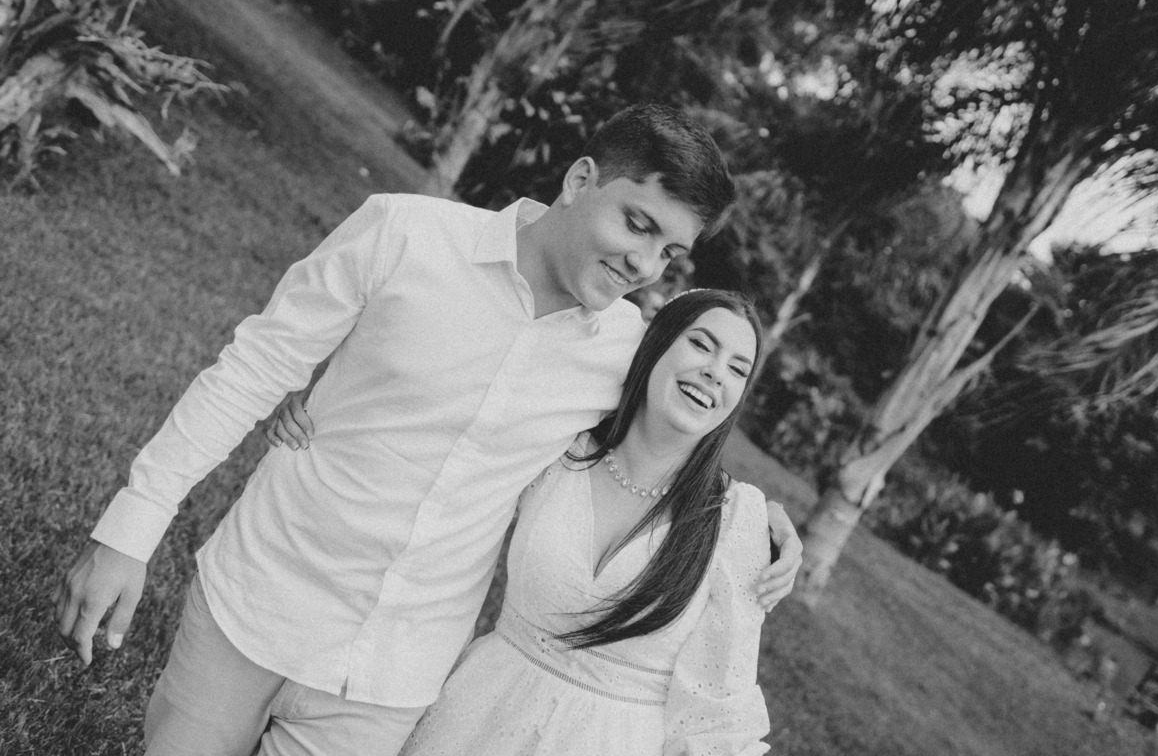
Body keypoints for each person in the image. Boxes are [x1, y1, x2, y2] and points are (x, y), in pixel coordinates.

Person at [53, 104, 801, 756]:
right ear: (580, 181)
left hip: (395, 674)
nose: (643, 263)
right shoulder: (404, 233)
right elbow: (252, 368)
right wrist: (130, 530)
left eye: (668, 252)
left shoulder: (622, 351)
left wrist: (760, 524)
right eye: (637, 224)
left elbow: (669, 435)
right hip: (257, 601)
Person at [402, 288, 773, 755]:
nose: (715, 372)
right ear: (656, 344)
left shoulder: (734, 520)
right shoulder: (559, 448)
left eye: (738, 369)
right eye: (701, 344)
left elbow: (717, 710)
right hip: (475, 717)